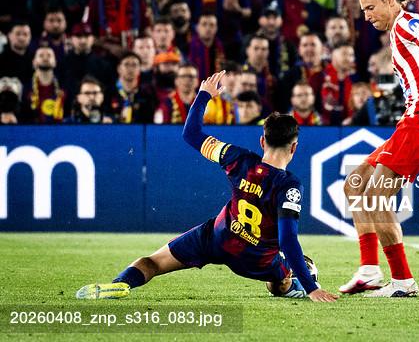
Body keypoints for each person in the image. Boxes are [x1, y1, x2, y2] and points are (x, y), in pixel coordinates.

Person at [76, 71, 337, 302]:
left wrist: (203, 95)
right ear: (294, 147)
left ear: (262, 141)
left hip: (218, 237)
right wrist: (312, 287)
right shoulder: (290, 185)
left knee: (153, 262)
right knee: (280, 277)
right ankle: (290, 285)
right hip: (257, 258)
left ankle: (120, 284)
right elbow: (288, 240)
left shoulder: (238, 159)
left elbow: (191, 134)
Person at [340, 0, 419, 297]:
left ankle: (403, 281)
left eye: (370, 7)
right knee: (355, 185)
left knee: (375, 197)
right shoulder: (398, 30)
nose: (366, 16)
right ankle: (369, 270)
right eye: (363, 10)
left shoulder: (406, 23)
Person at [108, 51, 156, 124]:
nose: (130, 69)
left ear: (140, 69)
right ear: (118, 69)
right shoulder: (108, 93)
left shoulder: (147, 94)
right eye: (126, 64)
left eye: (134, 65)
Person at [23, 46, 65, 124]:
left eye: (49, 55)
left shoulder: (64, 87)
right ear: (34, 62)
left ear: (55, 62)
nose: (45, 58)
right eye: (41, 55)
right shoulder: (26, 88)